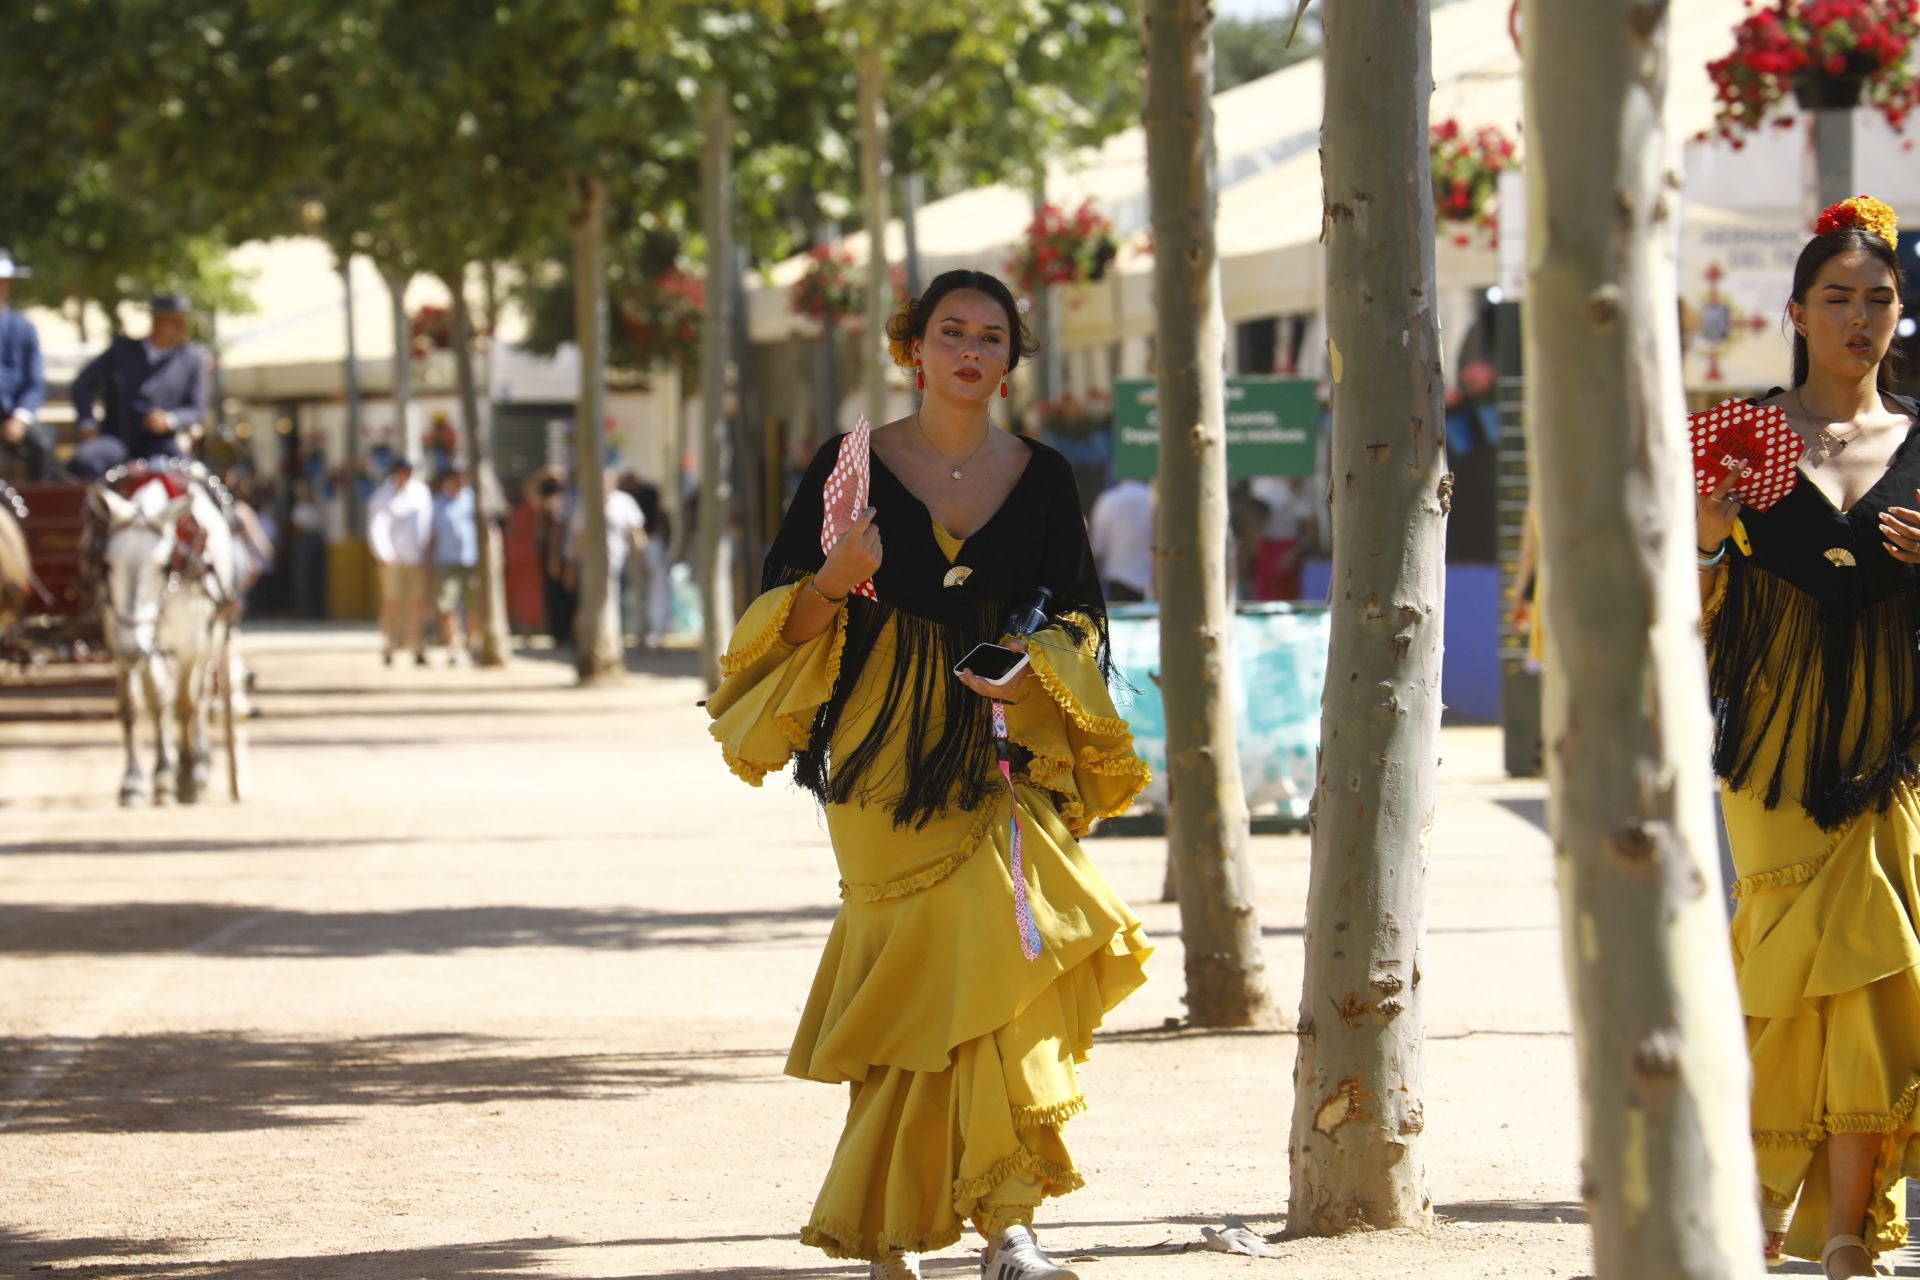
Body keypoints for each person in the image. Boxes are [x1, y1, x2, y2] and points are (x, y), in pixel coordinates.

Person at [707, 268, 1152, 1280]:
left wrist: (1035, 667)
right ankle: (900, 1220)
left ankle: (1009, 1224)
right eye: (950, 331)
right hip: (877, 755)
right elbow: (781, 627)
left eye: (991, 336)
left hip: (996, 743)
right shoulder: (849, 464)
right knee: (921, 985)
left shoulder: (1044, 474)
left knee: (1007, 964)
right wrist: (829, 576)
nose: (969, 349)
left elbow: (1084, 614)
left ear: (1009, 360)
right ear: (913, 347)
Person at [1696, 195, 1920, 1278]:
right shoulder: (1738, 434)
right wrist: (1703, 543)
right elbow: (1671, 615)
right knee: (1779, 984)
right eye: (1837, 298)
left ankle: (1848, 1226)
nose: (1859, 318)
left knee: (1876, 978)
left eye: (1878, 299)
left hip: (1893, 755)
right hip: (1770, 761)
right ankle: (1750, 1207)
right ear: (1796, 310)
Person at [68, 293, 210, 480]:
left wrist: (169, 420)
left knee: (190, 478)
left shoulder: (192, 360)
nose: (181, 328)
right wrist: (88, 423)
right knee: (84, 461)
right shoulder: (123, 351)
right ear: (156, 321)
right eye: (174, 322)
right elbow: (83, 384)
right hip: (117, 439)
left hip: (159, 444)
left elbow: (197, 409)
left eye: (183, 322)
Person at [568, 470, 645, 648]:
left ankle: (613, 641)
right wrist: (572, 563)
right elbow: (578, 536)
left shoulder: (624, 501)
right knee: (588, 603)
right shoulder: (587, 502)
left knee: (616, 601)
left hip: (619, 562)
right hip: (591, 565)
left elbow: (636, 531)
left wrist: (641, 555)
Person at [367, 457, 432, 666]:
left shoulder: (421, 493)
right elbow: (377, 526)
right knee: (392, 602)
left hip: (416, 558)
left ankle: (418, 645)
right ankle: (389, 645)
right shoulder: (383, 495)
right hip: (392, 559)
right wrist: (384, 554)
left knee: (417, 603)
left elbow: (426, 524)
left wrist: (426, 553)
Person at [0, 248, 52, 481]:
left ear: (7, 284)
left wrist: (20, 418)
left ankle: (37, 513)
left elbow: (34, 383)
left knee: (42, 443)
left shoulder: (24, 329)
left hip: (12, 415)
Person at [427, 467, 480, 664]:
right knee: (447, 606)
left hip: (471, 561)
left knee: (475, 605)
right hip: (446, 563)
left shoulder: (472, 499)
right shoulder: (437, 504)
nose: (460, 481)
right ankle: (452, 646)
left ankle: (473, 643)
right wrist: (428, 564)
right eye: (456, 478)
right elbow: (431, 537)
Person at [1086, 475, 1153, 603]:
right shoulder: (1152, 499)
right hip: (1148, 584)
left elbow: (1097, 551)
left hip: (1116, 583)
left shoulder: (1106, 500)